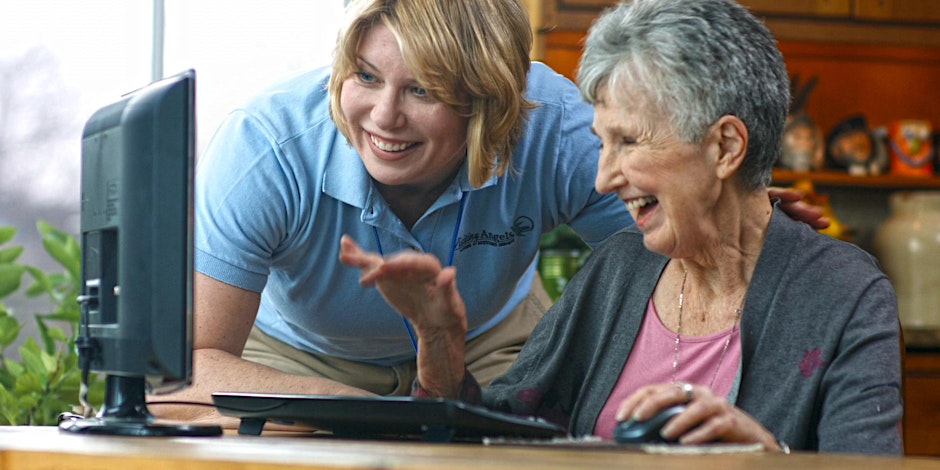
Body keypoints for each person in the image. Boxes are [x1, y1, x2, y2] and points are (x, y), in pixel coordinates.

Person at [157, 0, 826, 426]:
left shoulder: (553, 126)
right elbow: (192, 364)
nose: (382, 117)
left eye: (422, 90)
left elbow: (678, 246)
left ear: (488, 103)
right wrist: (370, 415)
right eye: (365, 77)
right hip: (302, 356)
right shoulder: (266, 148)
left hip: (490, 342)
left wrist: (724, 208)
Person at [339, 0, 902, 454]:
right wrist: (439, 342)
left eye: (629, 141)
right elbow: (492, 434)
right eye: (602, 143)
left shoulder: (843, 293)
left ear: (726, 147)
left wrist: (766, 457)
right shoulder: (621, 266)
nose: (604, 179)